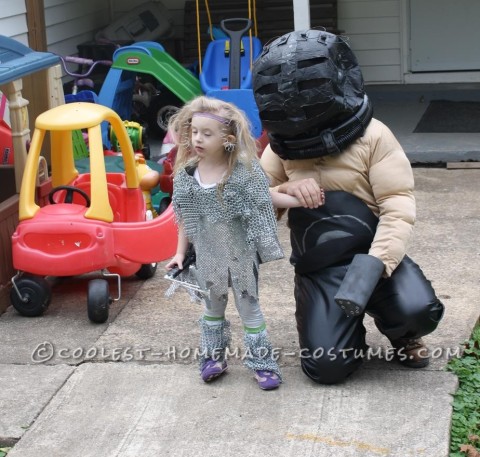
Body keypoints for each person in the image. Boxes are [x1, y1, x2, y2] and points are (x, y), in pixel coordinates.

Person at [252, 29, 445, 385]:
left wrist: (376, 265)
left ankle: (403, 333)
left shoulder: (374, 136)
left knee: (419, 311)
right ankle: (343, 337)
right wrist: (284, 188)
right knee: (326, 368)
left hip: (373, 256)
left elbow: (397, 205)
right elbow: (251, 204)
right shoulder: (280, 147)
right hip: (320, 264)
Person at [165, 95, 300, 390]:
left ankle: (263, 364)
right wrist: (179, 253)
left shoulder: (243, 173)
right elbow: (186, 218)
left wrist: (299, 199)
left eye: (207, 134)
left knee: (249, 308)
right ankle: (213, 358)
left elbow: (266, 197)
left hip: (240, 254)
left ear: (227, 139)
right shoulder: (187, 176)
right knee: (212, 309)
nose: (198, 138)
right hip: (208, 256)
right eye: (195, 131)